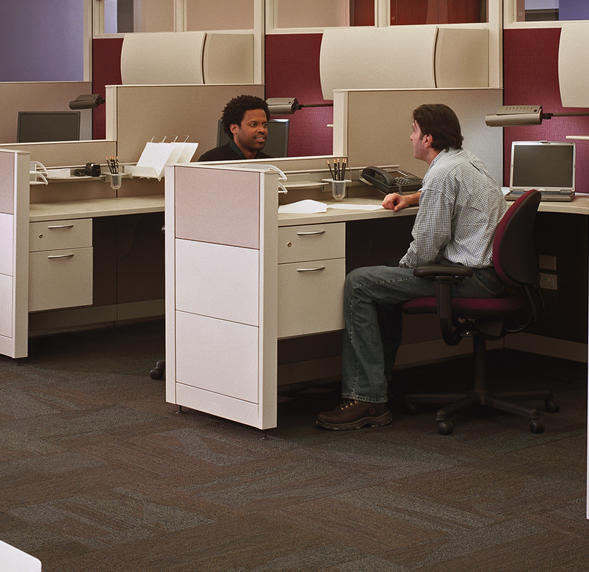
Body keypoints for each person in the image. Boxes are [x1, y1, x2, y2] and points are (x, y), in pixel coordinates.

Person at [316, 103, 506, 431]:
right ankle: (377, 385)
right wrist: (413, 197)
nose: (411, 137)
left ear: (428, 138)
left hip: (469, 278)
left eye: (414, 132)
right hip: (491, 274)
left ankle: (367, 399)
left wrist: (402, 270)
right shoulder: (464, 161)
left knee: (360, 282)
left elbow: (425, 249)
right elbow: (448, 196)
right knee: (381, 282)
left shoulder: (441, 174)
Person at [197, 94, 271, 162]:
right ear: (234, 129)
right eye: (253, 125)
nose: (262, 130)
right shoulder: (211, 161)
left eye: (264, 125)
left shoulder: (272, 164)